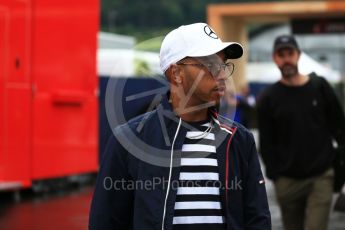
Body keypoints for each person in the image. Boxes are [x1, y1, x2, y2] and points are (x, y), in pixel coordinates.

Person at [89, 22, 271, 230]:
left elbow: (258, 219)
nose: (222, 75)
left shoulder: (239, 140)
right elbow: (106, 221)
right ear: (176, 73)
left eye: (223, 65)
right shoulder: (130, 140)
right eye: (211, 66)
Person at [257, 35, 345, 230]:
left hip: (321, 175)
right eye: (282, 54)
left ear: (298, 55)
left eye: (290, 53)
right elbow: (266, 143)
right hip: (287, 180)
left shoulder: (319, 87)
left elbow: (339, 126)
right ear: (275, 58)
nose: (286, 59)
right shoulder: (268, 98)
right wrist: (276, 177)